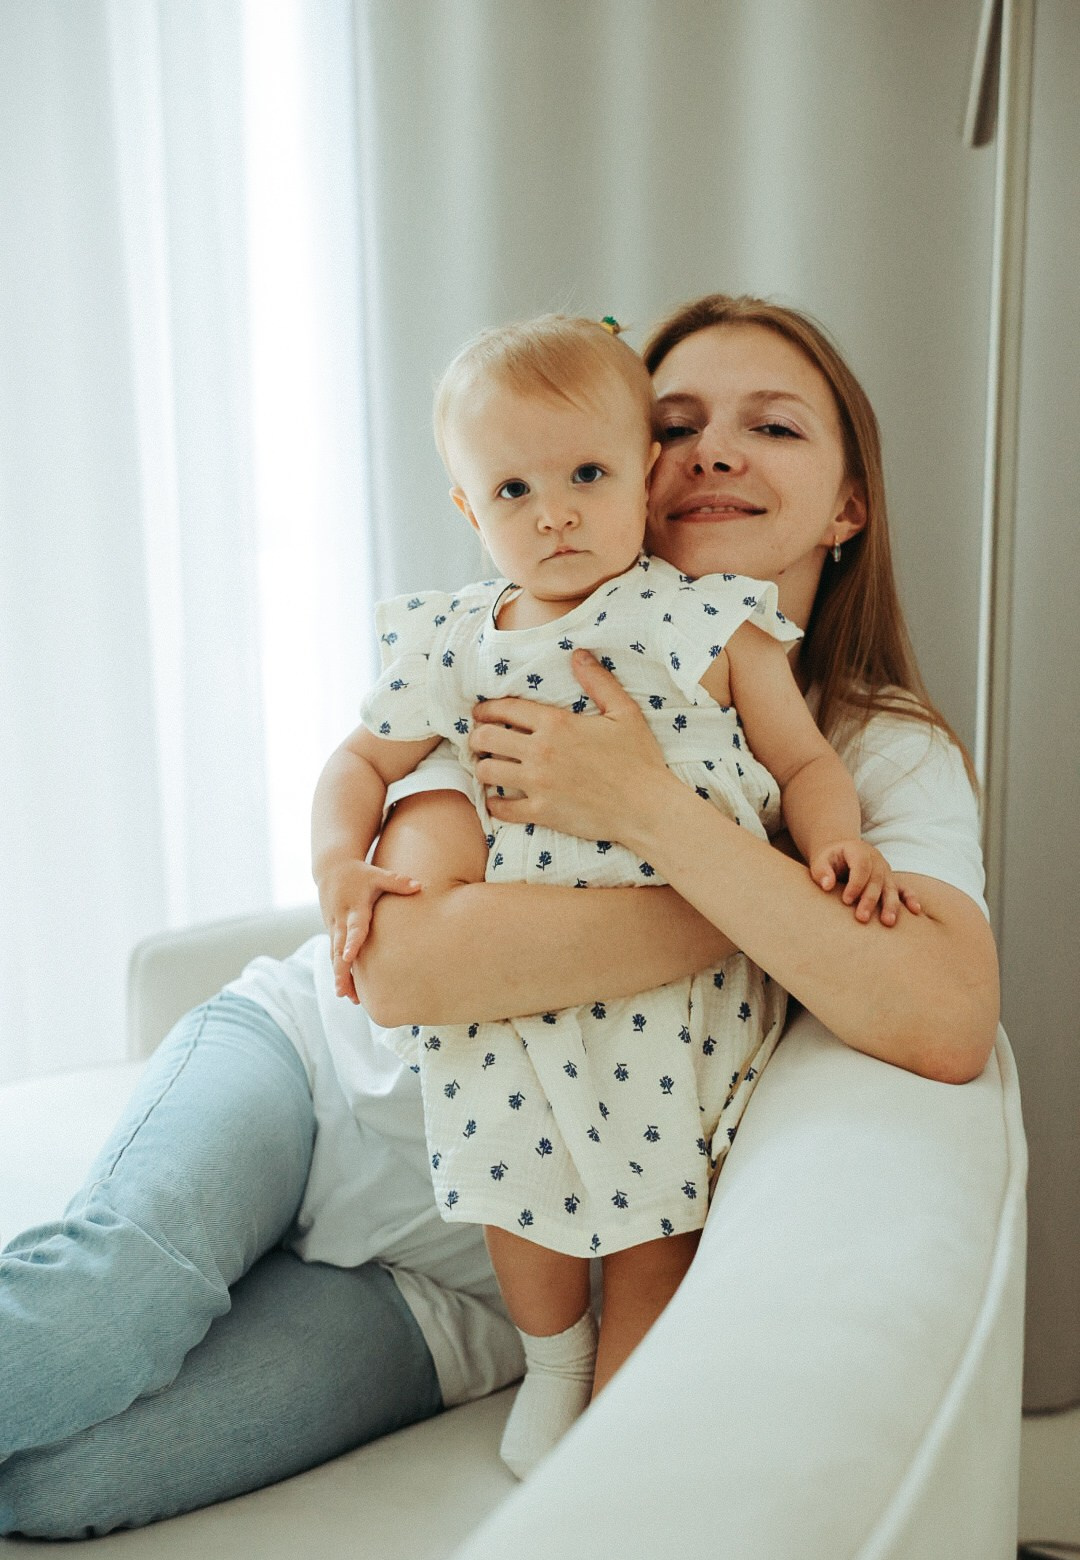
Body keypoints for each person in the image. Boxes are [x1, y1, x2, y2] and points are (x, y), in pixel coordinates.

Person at [0, 294, 998, 1538]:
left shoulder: (876, 750)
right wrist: (779, 917)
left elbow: (946, 1016)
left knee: (60, 1488)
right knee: (85, 1333)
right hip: (314, 1081)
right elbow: (408, 974)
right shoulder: (507, 652)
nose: (711, 453)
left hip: (471, 1280)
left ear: (850, 504)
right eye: (677, 421)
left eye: (775, 428)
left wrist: (646, 808)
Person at [313, 314, 914, 1477]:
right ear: (467, 509)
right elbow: (358, 764)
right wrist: (337, 861)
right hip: (509, 995)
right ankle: (552, 1360)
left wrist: (841, 847)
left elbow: (801, 763)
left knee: (662, 1206)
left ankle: (615, 1426)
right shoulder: (456, 638)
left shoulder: (708, 620)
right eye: (515, 488)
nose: (556, 512)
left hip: (672, 1011)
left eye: (588, 474)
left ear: (641, 476)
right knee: (517, 1185)